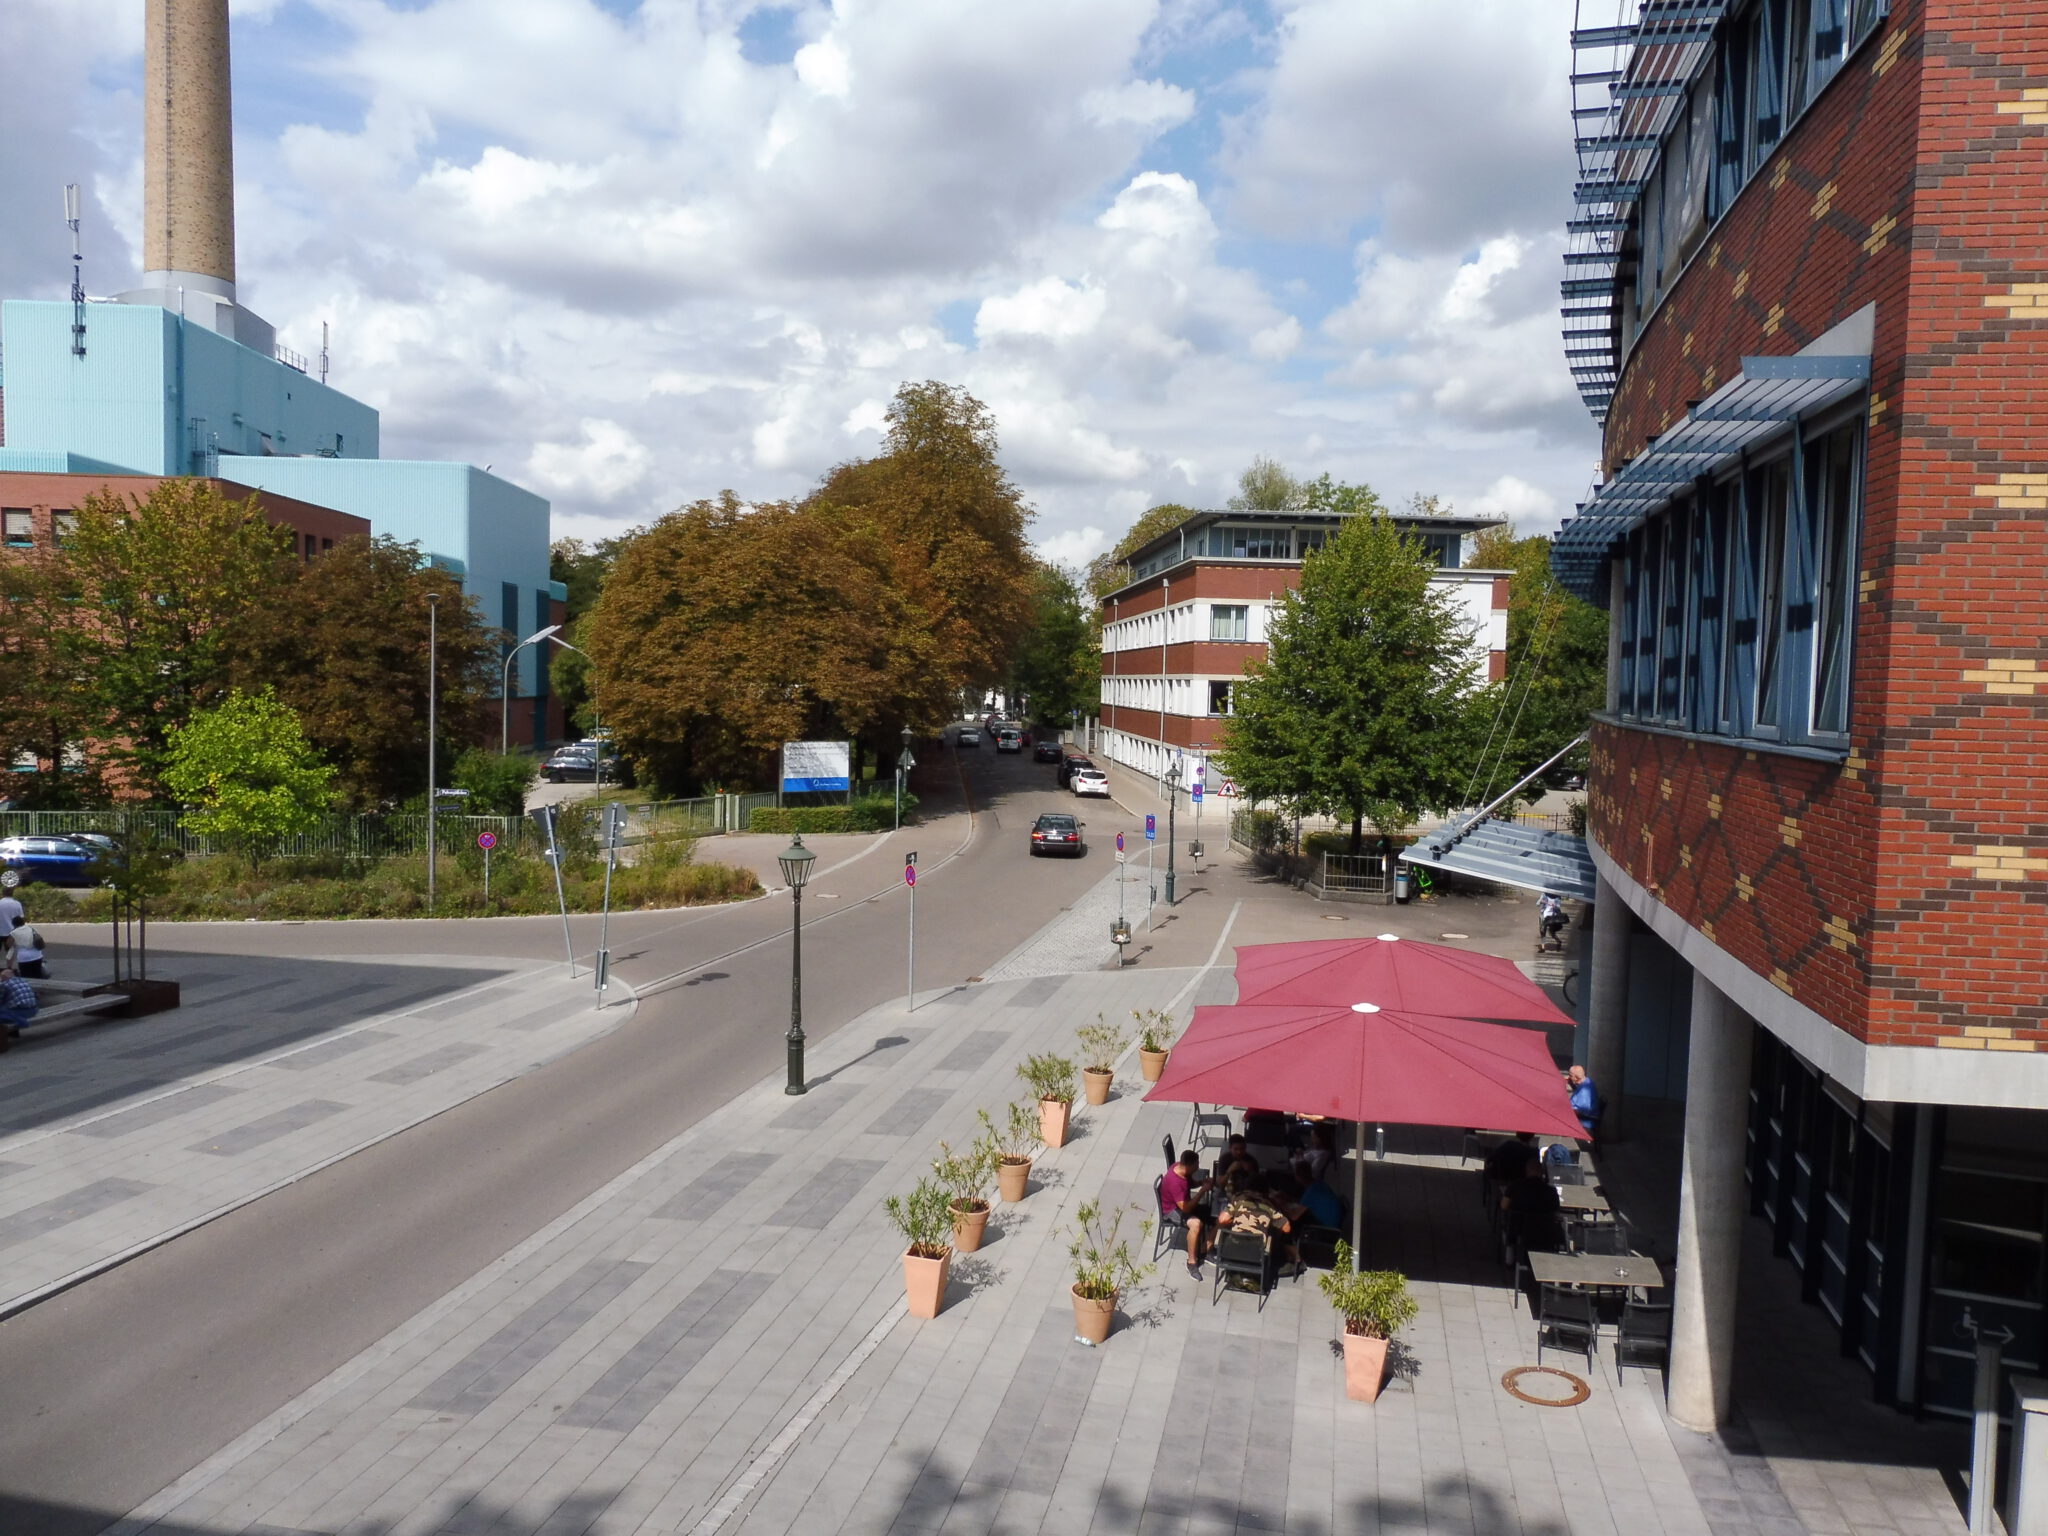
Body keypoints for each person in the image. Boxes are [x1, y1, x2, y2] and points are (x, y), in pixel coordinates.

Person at [1215, 1169, 1300, 1275]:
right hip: (1257, 1253)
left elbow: (1222, 1220)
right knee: (1275, 1234)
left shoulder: (1238, 1200)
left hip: (1233, 1248)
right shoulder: (1269, 1206)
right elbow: (1287, 1228)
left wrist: (1234, 1219)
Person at [1160, 1150, 1215, 1277]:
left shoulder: (1181, 1168)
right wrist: (1202, 1191)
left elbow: (1189, 1183)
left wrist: (1202, 1182)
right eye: (1196, 1164)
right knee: (1196, 1224)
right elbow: (1186, 1209)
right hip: (1172, 1210)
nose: (1198, 1167)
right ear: (1189, 1166)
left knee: (1210, 1213)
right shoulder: (1175, 1183)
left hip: (1182, 1203)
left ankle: (1205, 1249)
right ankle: (1191, 1262)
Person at [0, 964, 38, 1041]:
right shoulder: (23, 980)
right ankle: (14, 1032)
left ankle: (20, 1021)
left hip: (21, 1012)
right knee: (9, 1005)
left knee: (2, 1011)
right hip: (34, 1010)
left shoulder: (4, 984)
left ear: (4, 977)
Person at [1567, 1064, 1601, 1146]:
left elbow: (1579, 1112)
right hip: (1582, 1116)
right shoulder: (1586, 1081)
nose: (1569, 1077)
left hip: (1584, 1122)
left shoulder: (1585, 1092)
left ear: (1576, 1078)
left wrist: (1566, 1109)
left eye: (1570, 1075)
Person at [5, 914, 46, 979]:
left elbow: (8, 944)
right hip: (37, 955)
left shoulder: (13, 933)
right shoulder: (32, 929)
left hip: (24, 958)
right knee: (38, 975)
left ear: (14, 924)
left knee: (26, 977)